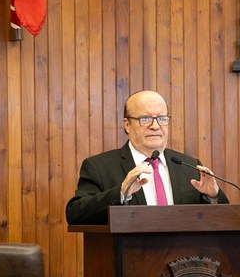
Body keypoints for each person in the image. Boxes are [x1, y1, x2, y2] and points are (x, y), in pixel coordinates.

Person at [65, 90, 228, 225]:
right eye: (145, 119)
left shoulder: (189, 166)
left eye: (162, 119)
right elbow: (75, 214)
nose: (155, 126)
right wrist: (121, 193)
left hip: (185, 255)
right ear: (127, 125)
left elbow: (224, 221)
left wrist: (213, 196)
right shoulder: (99, 167)